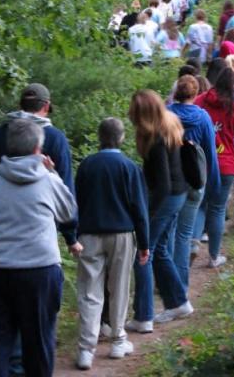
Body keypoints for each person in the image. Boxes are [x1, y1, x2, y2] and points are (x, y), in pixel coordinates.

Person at [0, 119, 77, 377]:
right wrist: (54, 173)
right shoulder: (47, 179)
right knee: (39, 343)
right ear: (38, 149)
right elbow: (69, 213)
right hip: (40, 270)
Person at [72, 118, 149, 370]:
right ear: (122, 137)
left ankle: (86, 349)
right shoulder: (129, 167)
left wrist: (72, 235)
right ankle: (118, 340)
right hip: (122, 234)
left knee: (89, 291)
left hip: (89, 234)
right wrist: (144, 242)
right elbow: (139, 207)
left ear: (99, 137)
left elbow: (76, 202)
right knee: (119, 288)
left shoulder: (87, 166)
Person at [0, 83, 76, 246]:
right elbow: (65, 187)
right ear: (46, 106)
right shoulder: (55, 138)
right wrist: (70, 235)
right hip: (40, 235)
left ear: (20, 105)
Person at [128, 91, 192, 330]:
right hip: (179, 194)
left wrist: (148, 214)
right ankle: (178, 302)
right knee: (161, 249)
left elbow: (162, 184)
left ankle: (143, 316)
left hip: (168, 197)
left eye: (134, 111)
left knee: (143, 253)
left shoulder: (155, 140)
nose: (130, 115)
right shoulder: (169, 125)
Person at [193, 68, 234, 267]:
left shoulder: (200, 101)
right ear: (233, 85)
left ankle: (192, 245)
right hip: (226, 165)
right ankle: (213, 257)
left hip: (201, 163)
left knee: (200, 206)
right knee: (218, 209)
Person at [168, 76, 220, 292]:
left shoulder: (167, 115)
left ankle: (166, 280)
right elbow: (210, 152)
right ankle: (181, 283)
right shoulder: (202, 117)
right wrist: (214, 183)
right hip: (196, 180)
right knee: (184, 234)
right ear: (195, 93)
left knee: (169, 230)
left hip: (171, 179)